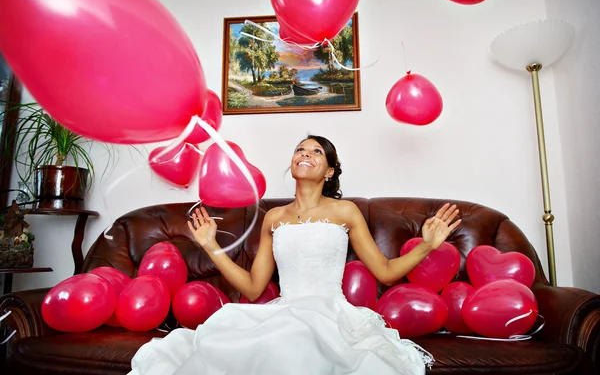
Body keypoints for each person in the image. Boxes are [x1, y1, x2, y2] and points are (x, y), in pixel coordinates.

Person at [129, 135, 461, 375]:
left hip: (331, 315)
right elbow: (253, 288)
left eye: (317, 151)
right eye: (299, 149)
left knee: (295, 343)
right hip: (285, 311)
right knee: (241, 343)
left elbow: (386, 272)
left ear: (329, 171)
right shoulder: (273, 218)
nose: (305, 154)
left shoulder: (345, 211)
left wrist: (428, 245)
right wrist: (211, 246)